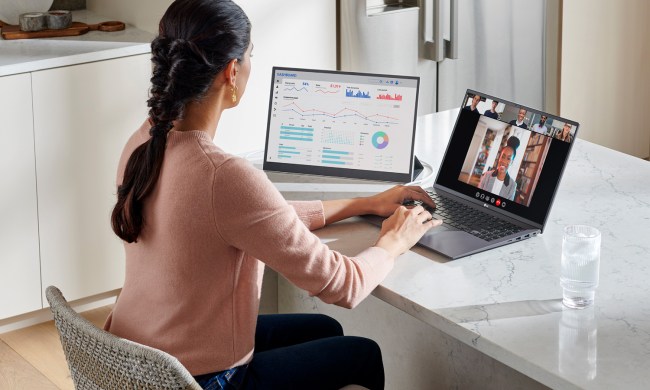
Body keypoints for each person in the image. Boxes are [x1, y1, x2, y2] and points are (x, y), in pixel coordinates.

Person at [104, 1, 441, 389]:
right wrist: (393, 242)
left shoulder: (143, 141)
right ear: (232, 71)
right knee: (361, 355)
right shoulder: (223, 175)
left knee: (324, 329)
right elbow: (342, 285)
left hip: (138, 357)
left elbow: (253, 217)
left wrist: (362, 204)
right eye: (249, 57)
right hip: (197, 379)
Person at [478, 136, 520, 201]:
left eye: (508, 158)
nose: (504, 161)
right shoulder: (486, 175)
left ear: (512, 162)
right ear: (499, 157)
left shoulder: (512, 186)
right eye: (502, 156)